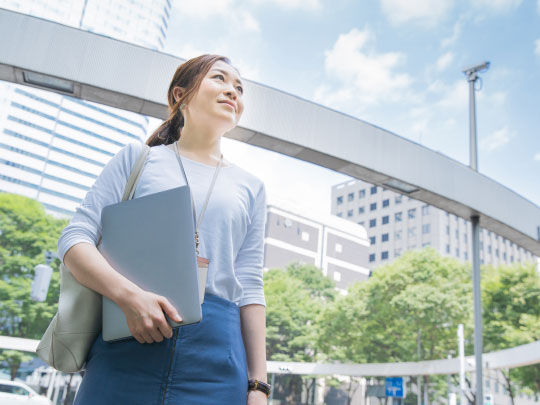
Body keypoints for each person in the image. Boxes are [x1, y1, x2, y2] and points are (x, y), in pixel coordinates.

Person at [58, 54, 271, 404]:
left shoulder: (251, 187)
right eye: (219, 78)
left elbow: (249, 284)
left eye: (239, 88)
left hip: (217, 357)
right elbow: (75, 239)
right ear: (180, 95)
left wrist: (258, 385)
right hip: (127, 342)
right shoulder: (137, 159)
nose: (232, 91)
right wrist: (127, 296)